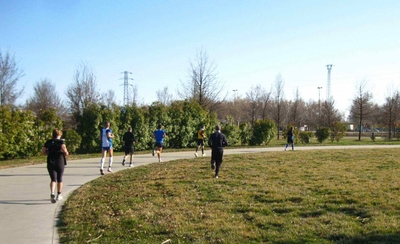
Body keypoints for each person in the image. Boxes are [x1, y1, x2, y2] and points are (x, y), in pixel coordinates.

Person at [41, 129, 69, 203]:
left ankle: (52, 192)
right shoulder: (61, 142)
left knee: (53, 179)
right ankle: (59, 195)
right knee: (59, 178)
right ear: (59, 135)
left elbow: (43, 152)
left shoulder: (48, 142)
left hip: (50, 161)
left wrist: (49, 152)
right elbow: (66, 152)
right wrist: (64, 152)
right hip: (60, 161)